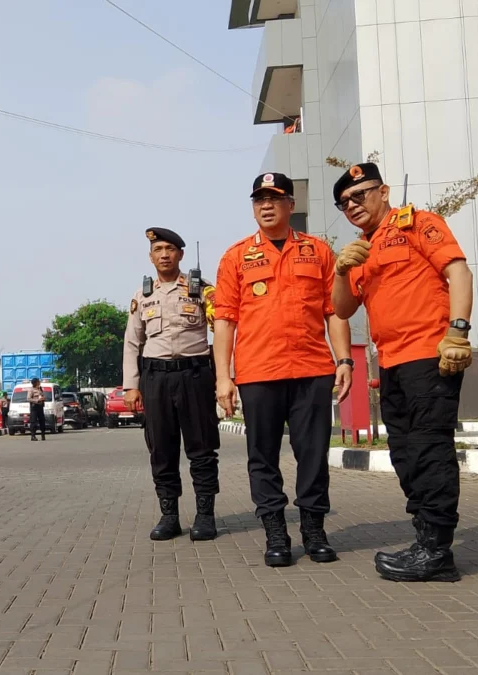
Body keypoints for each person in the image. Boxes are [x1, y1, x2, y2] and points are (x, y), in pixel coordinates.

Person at [330, 162, 475, 583]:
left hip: (431, 355)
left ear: (384, 192)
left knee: (430, 450)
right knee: (405, 454)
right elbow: (341, 309)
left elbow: (458, 272)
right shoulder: (359, 250)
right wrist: (341, 271)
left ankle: (436, 552)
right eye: (344, 203)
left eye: (360, 195)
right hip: (391, 364)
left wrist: (458, 332)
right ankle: (424, 540)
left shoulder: (419, 224)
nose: (352, 205)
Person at [213, 174, 352, 564]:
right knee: (263, 456)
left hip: (312, 369)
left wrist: (343, 359)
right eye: (259, 199)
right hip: (259, 372)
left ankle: (314, 531)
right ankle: (275, 532)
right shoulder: (236, 256)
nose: (266, 205)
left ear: (291, 204)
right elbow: (224, 320)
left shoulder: (317, 251)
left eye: (275, 198)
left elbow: (335, 310)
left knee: (313, 454)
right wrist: (224, 377)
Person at [124, 227, 222, 542]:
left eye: (170, 249)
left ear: (180, 254)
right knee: (161, 449)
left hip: (195, 375)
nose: (164, 255)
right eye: (158, 250)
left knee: (202, 449)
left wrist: (223, 377)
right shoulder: (143, 296)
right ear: (151, 256)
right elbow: (131, 343)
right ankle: (170, 516)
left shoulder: (202, 290)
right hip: (155, 379)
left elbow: (221, 332)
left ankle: (205, 516)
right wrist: (131, 385)